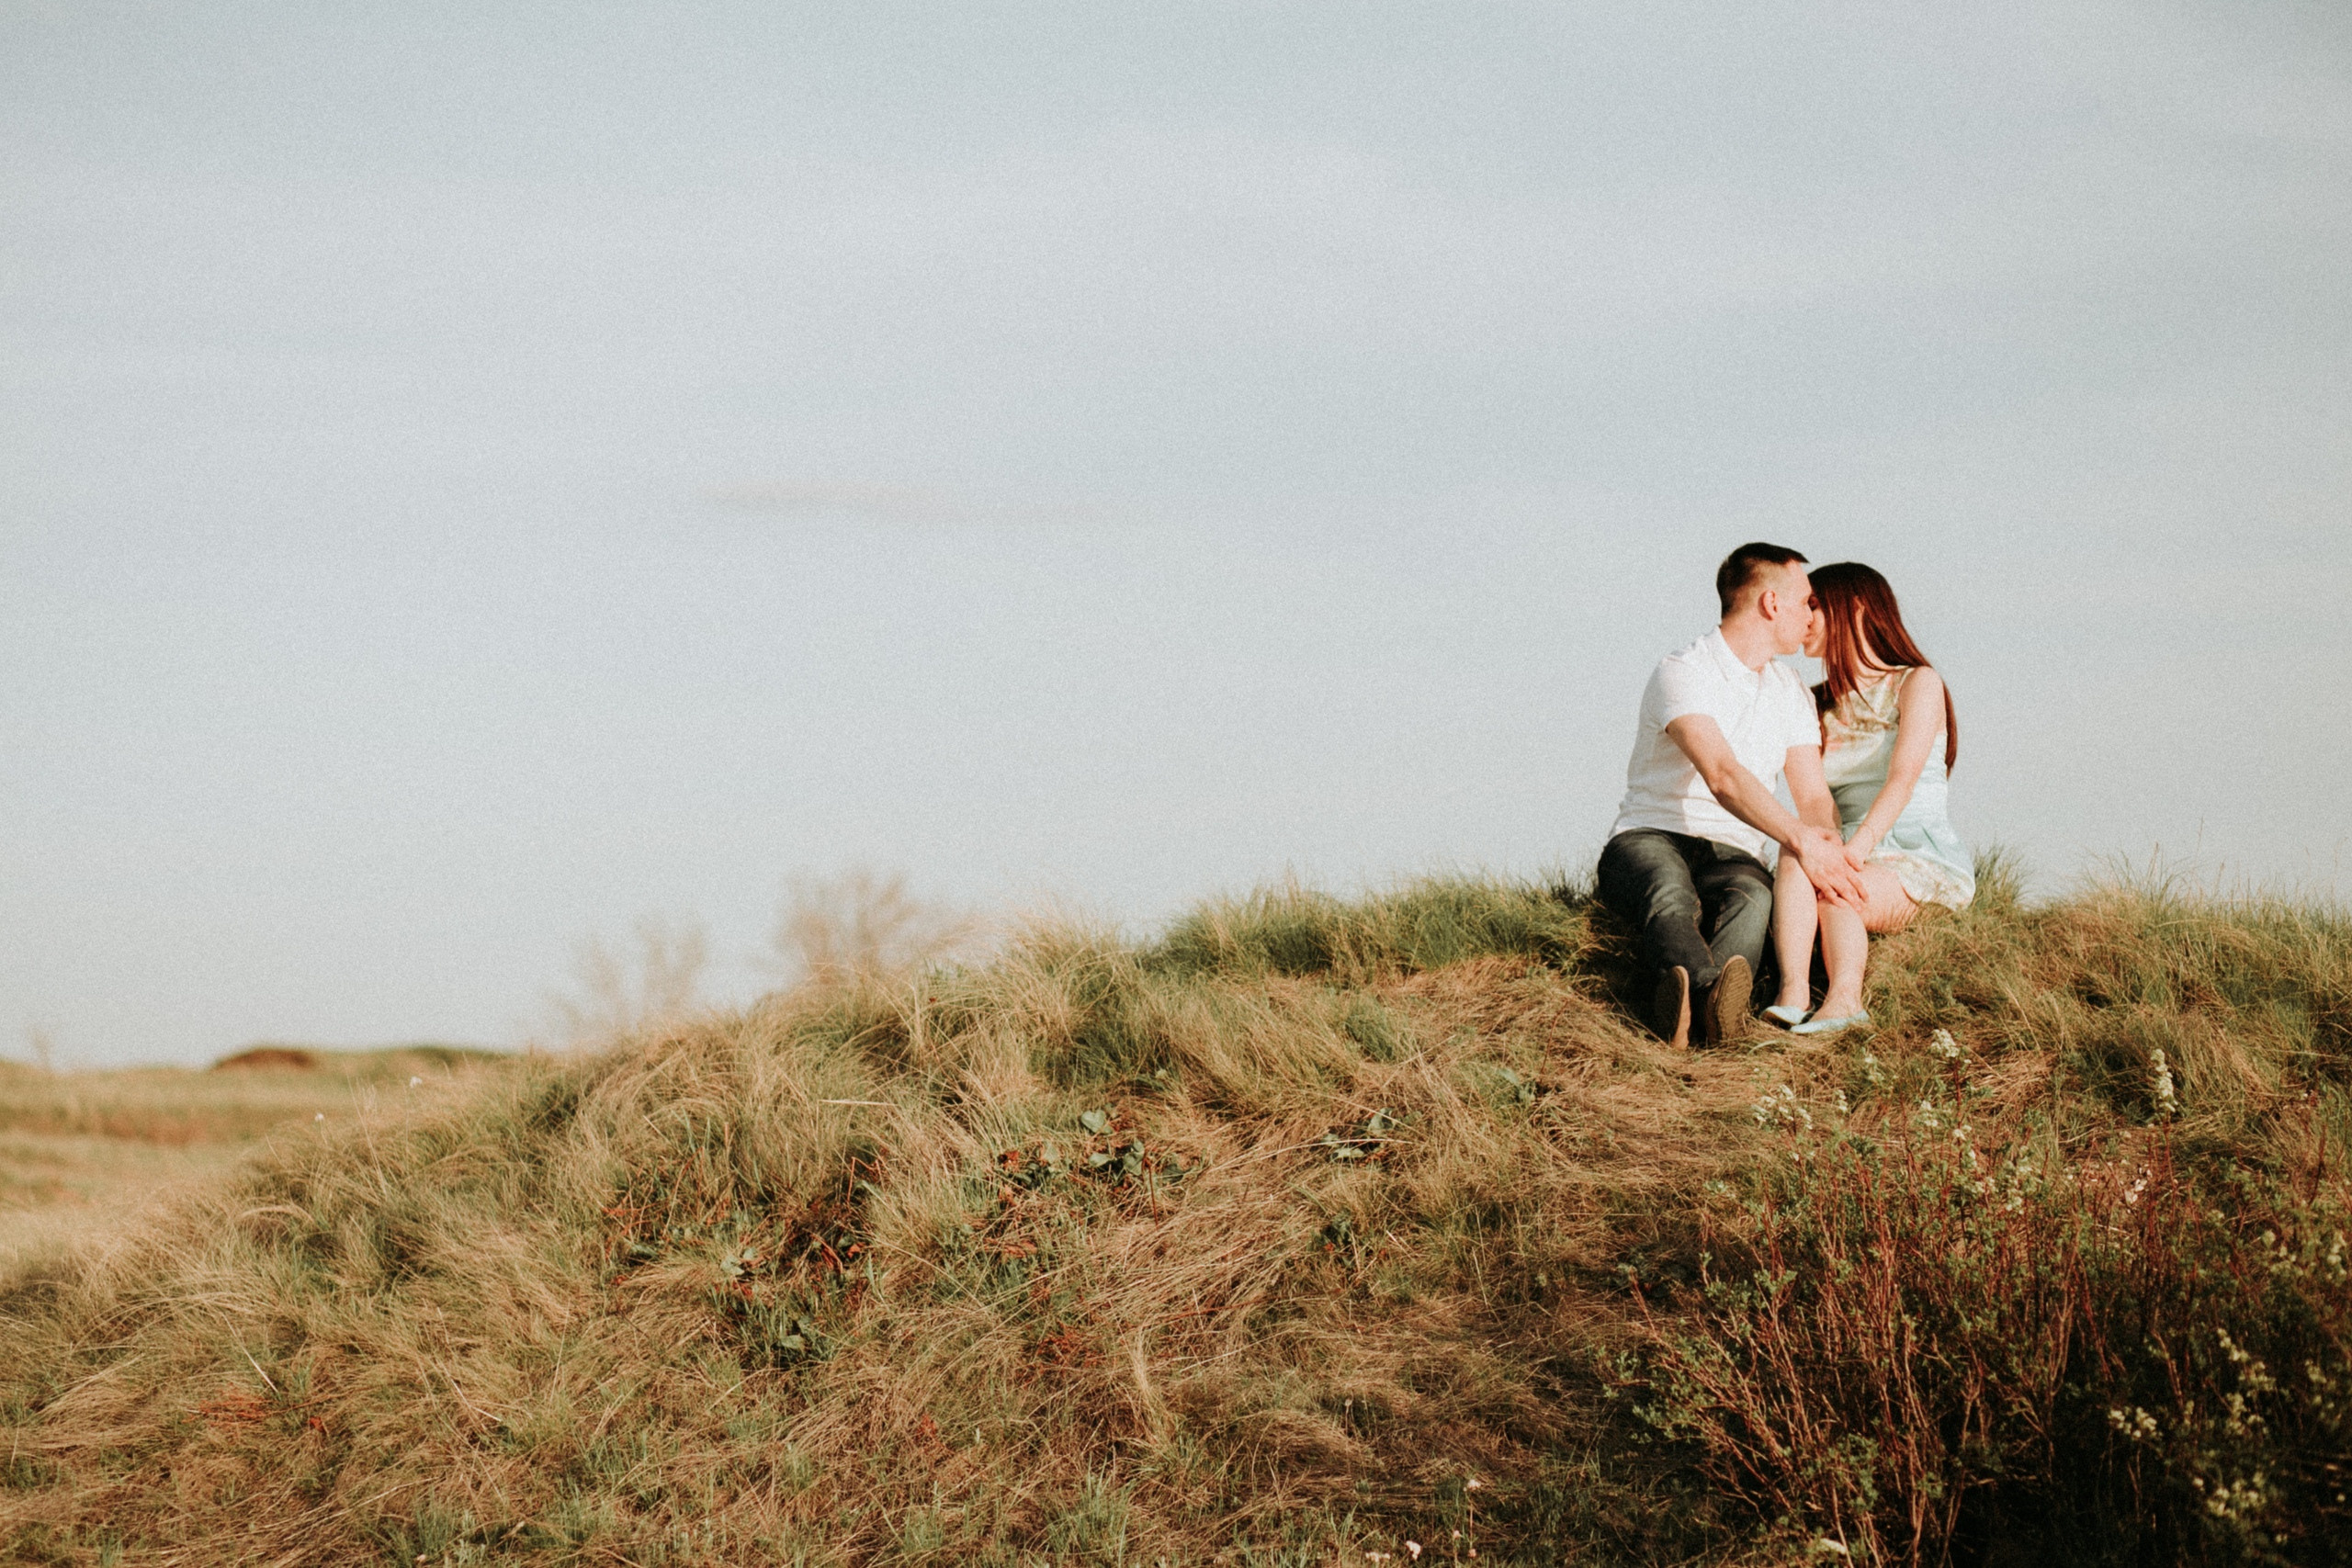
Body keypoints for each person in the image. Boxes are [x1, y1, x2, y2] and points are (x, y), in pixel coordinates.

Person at [1599, 544, 1862, 1048]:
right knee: (1668, 889)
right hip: (1652, 835)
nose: (1813, 616)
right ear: (1771, 603)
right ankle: (1709, 999)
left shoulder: (1791, 691)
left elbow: (1811, 794)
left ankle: (1688, 1022)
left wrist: (1826, 850)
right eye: (1806, 601)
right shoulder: (1682, 670)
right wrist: (1800, 840)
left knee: (1754, 897)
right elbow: (1722, 774)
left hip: (1734, 851)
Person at [1766, 562, 1973, 1036]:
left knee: (1841, 893)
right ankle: (1793, 992)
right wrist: (1829, 851)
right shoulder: (1814, 703)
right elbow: (1815, 797)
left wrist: (1853, 854)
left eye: (1813, 604)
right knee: (1797, 848)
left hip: (1912, 854)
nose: (1804, 617)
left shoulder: (1917, 682)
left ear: (1855, 609)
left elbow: (1902, 780)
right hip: (1847, 845)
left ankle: (1844, 1001)